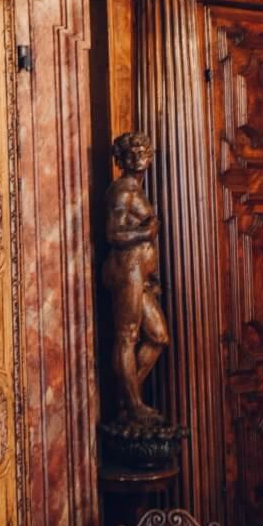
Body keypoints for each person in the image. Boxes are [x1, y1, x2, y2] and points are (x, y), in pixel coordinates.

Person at [103, 131, 168, 423]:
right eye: (133, 152)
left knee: (158, 336)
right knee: (127, 336)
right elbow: (114, 234)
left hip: (139, 273)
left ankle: (128, 398)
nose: (140, 157)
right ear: (122, 159)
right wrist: (146, 232)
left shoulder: (136, 188)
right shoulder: (123, 191)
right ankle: (133, 404)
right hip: (127, 269)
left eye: (144, 151)